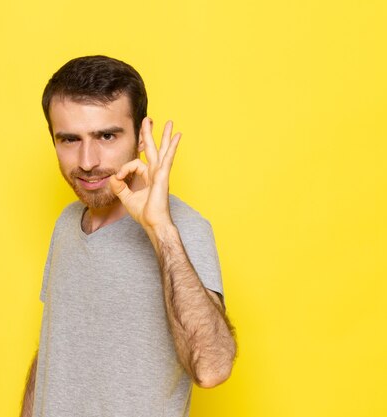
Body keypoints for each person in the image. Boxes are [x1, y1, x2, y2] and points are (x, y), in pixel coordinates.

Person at [20, 55, 236, 417]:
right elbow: (56, 352)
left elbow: (212, 368)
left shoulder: (183, 229)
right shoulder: (67, 223)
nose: (87, 160)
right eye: (69, 139)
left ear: (140, 135)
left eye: (106, 136)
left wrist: (160, 229)